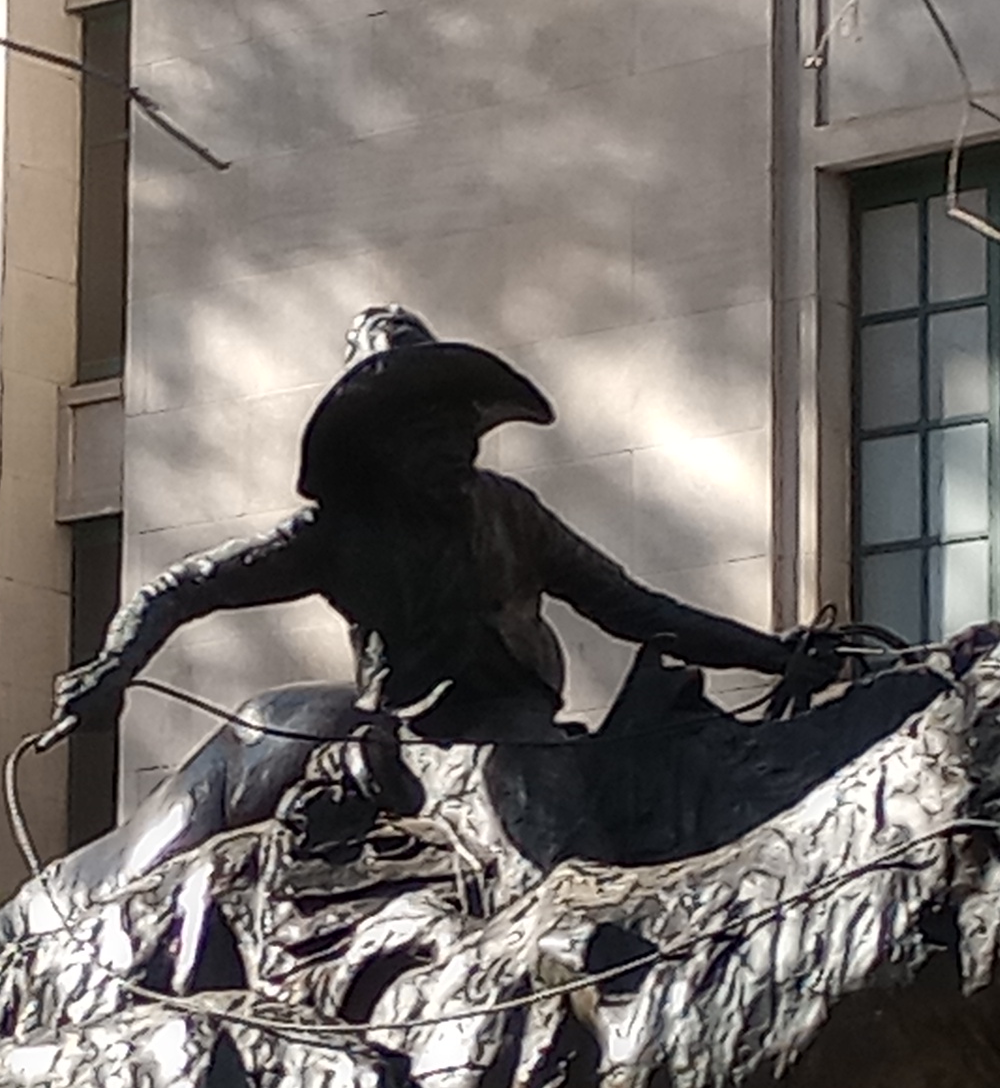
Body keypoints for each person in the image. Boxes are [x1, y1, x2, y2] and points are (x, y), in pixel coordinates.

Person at [53, 308, 841, 768]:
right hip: (430, 734)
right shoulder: (333, 538)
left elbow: (632, 607)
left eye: (461, 427)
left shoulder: (512, 511)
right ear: (379, 445)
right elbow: (180, 587)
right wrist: (113, 671)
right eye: (430, 432)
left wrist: (777, 656)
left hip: (525, 714)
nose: (458, 446)